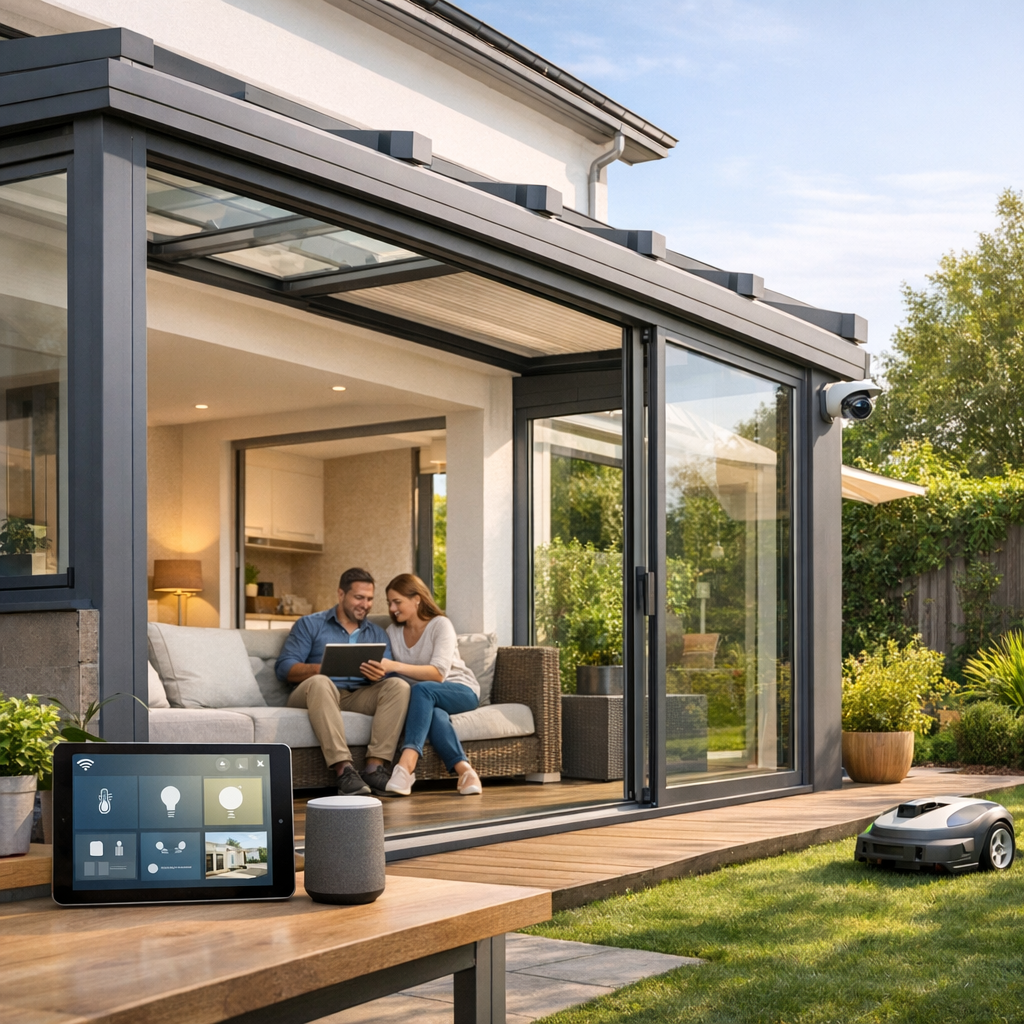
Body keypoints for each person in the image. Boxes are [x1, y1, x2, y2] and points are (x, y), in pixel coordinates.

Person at [276, 567, 410, 797]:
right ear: (341, 595)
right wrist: (321, 669)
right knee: (321, 682)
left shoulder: (377, 633)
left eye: (369, 599)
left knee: (399, 686)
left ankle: (374, 768)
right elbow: (284, 668)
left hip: (356, 694)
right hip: (314, 694)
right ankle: (343, 770)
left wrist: (379, 674)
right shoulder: (310, 624)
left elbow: (389, 672)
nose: (365, 604)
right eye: (359, 597)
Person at [360, 573, 482, 797]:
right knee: (435, 715)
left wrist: (394, 665)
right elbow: (390, 675)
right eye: (389, 603)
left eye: (397, 601)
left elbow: (437, 674)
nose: (392, 608)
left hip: (460, 690)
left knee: (422, 688)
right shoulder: (393, 632)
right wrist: (377, 673)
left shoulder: (440, 625)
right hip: (424, 699)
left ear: (417, 599)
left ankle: (406, 766)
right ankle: (466, 772)